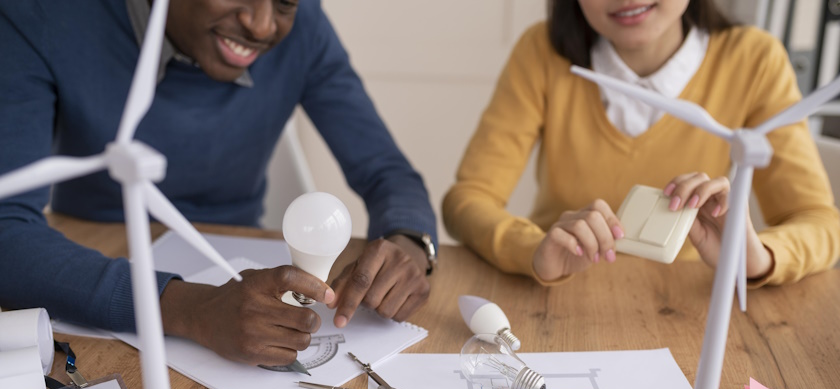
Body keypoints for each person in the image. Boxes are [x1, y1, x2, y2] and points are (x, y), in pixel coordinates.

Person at [0, 0, 438, 367]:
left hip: (240, 269)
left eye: (285, 2)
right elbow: (5, 229)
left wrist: (412, 241)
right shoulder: (39, 15)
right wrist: (193, 310)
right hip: (87, 273)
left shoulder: (305, 30)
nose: (262, 24)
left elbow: (386, 169)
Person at [443, 0, 840, 287]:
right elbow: (467, 199)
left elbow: (820, 221)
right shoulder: (541, 51)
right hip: (556, 298)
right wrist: (532, 249)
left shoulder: (755, 59)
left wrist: (757, 258)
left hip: (691, 300)